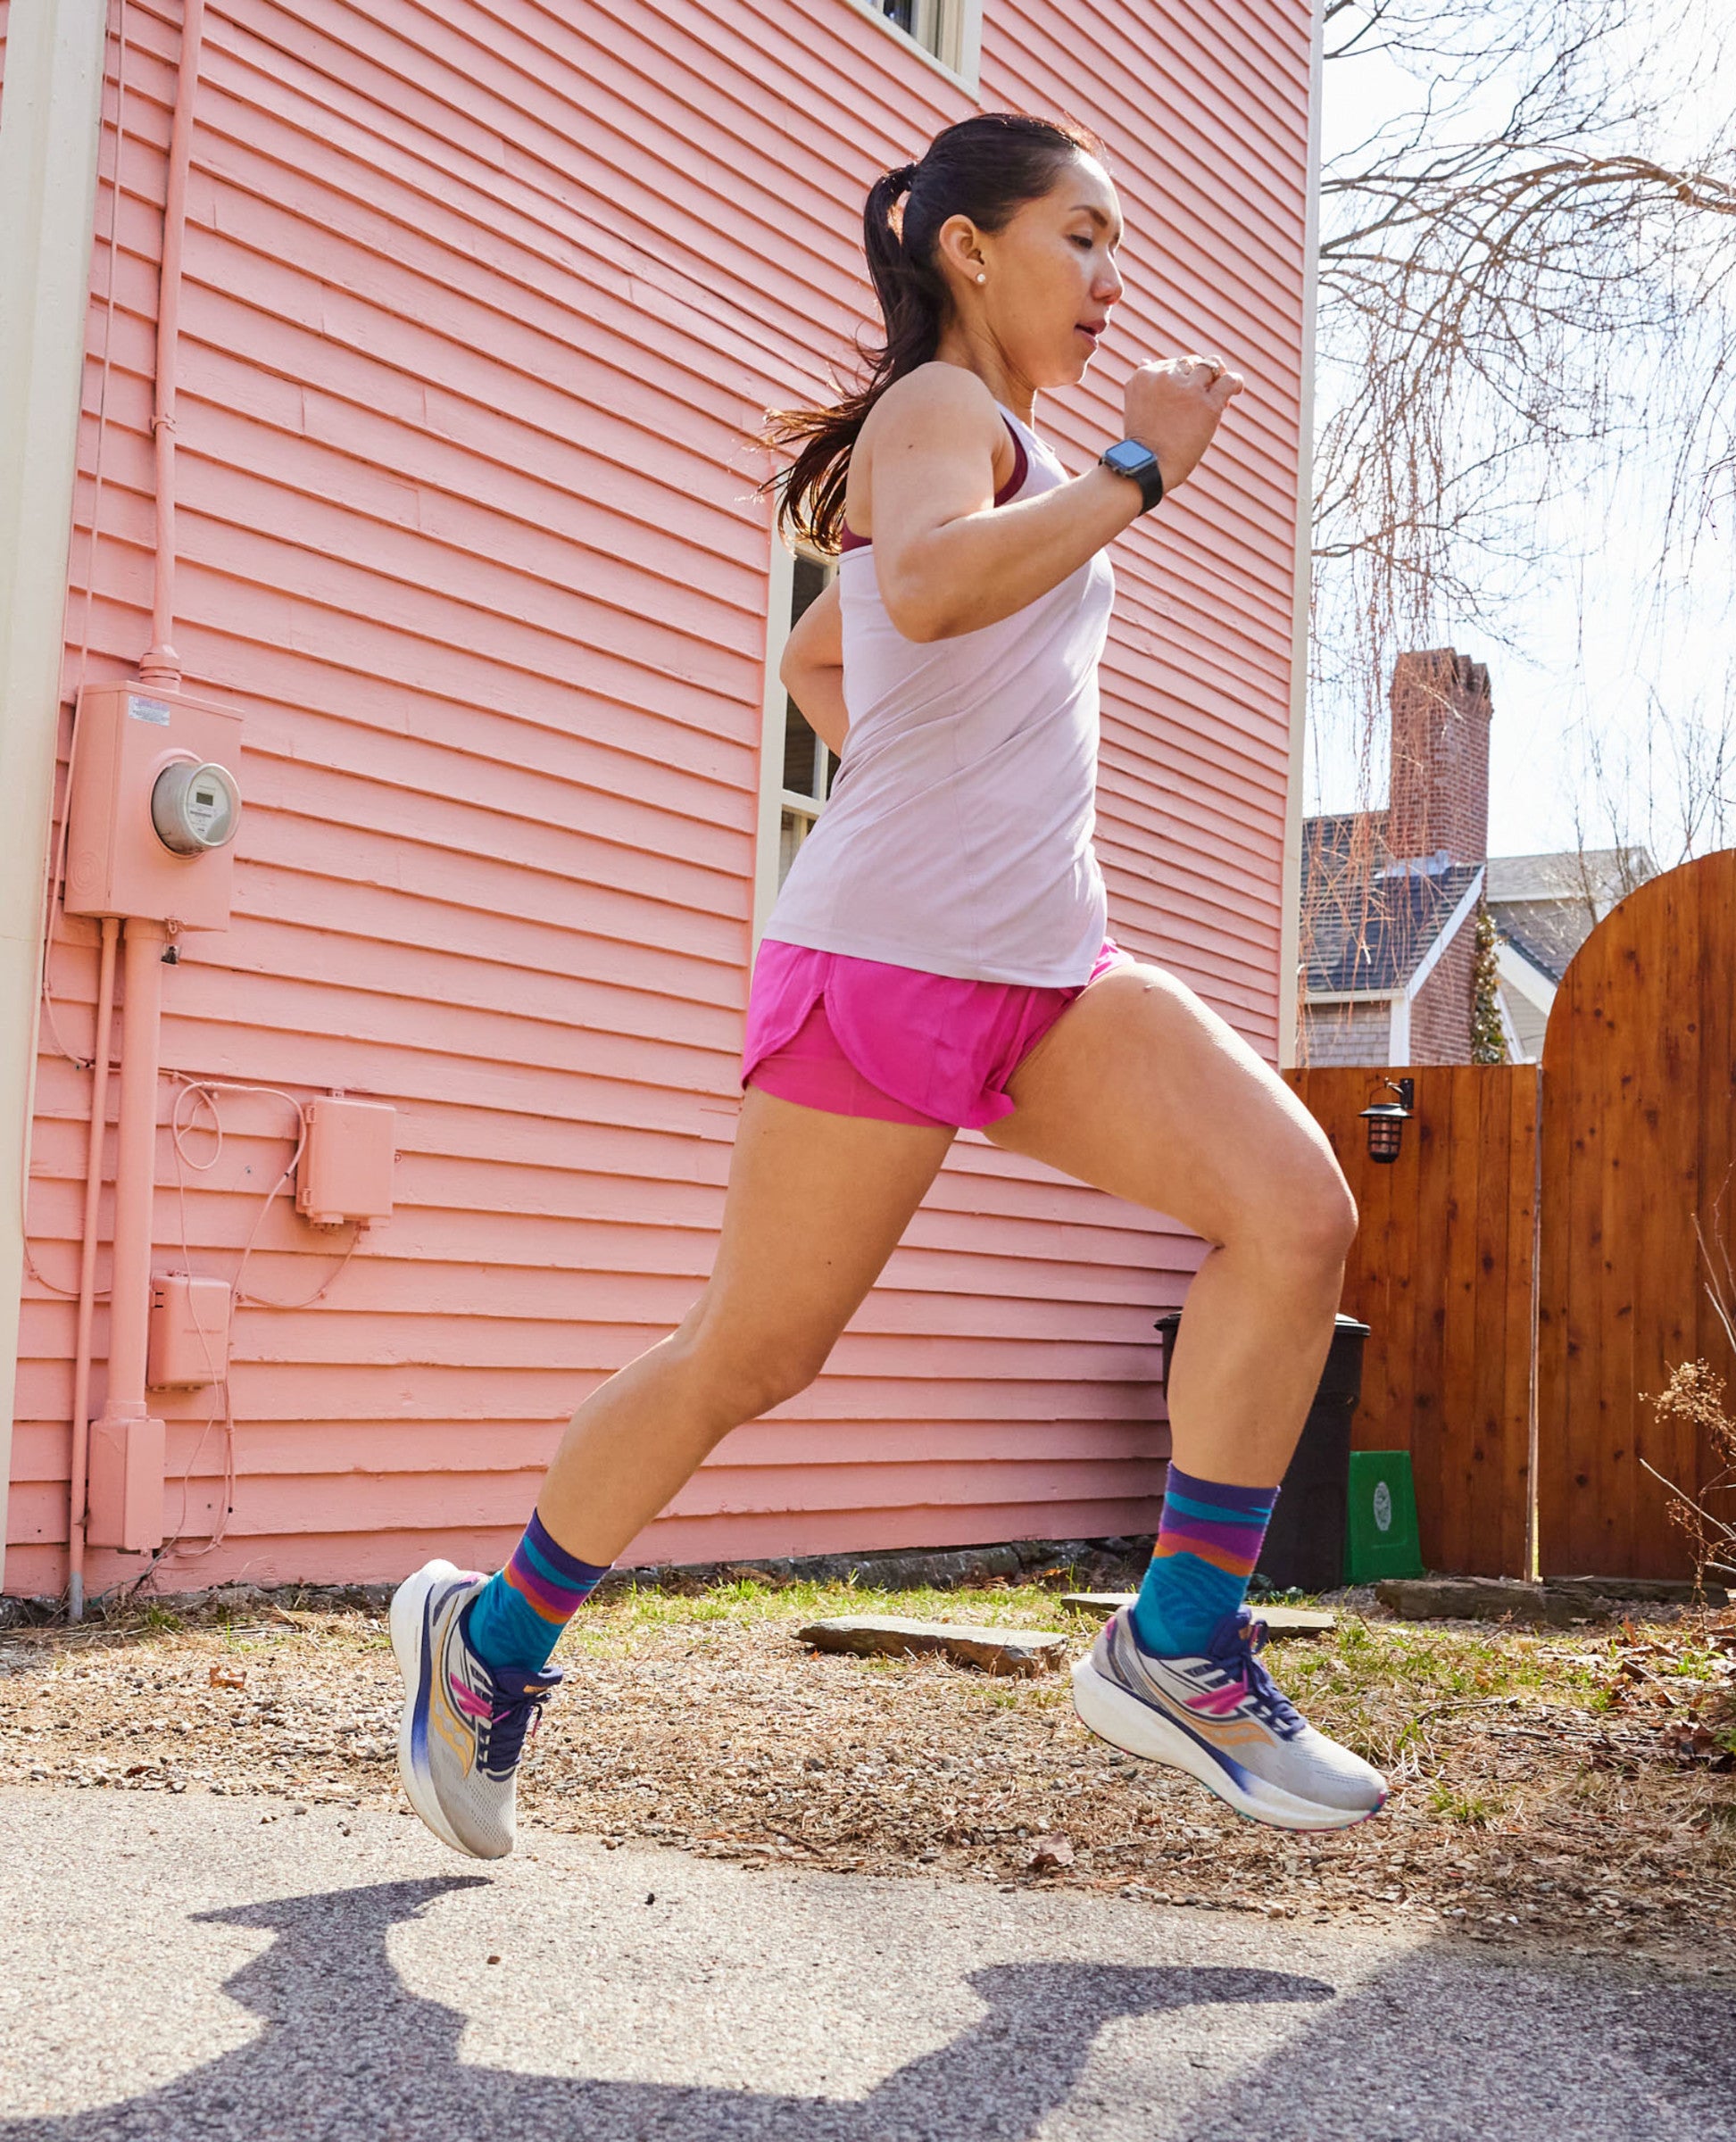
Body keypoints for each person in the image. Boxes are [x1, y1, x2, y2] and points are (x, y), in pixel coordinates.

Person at [391, 111, 1385, 1861]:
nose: (1109, 275)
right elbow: (913, 592)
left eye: (1117, 241)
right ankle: (489, 1639)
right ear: (967, 250)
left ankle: (1180, 1643)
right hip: (887, 974)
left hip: (1044, 966)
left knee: (1294, 1212)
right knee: (752, 1356)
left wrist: (926, 796)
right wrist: (1138, 475)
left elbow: (819, 656)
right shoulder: (942, 416)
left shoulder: (1000, 441)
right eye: (1079, 235)